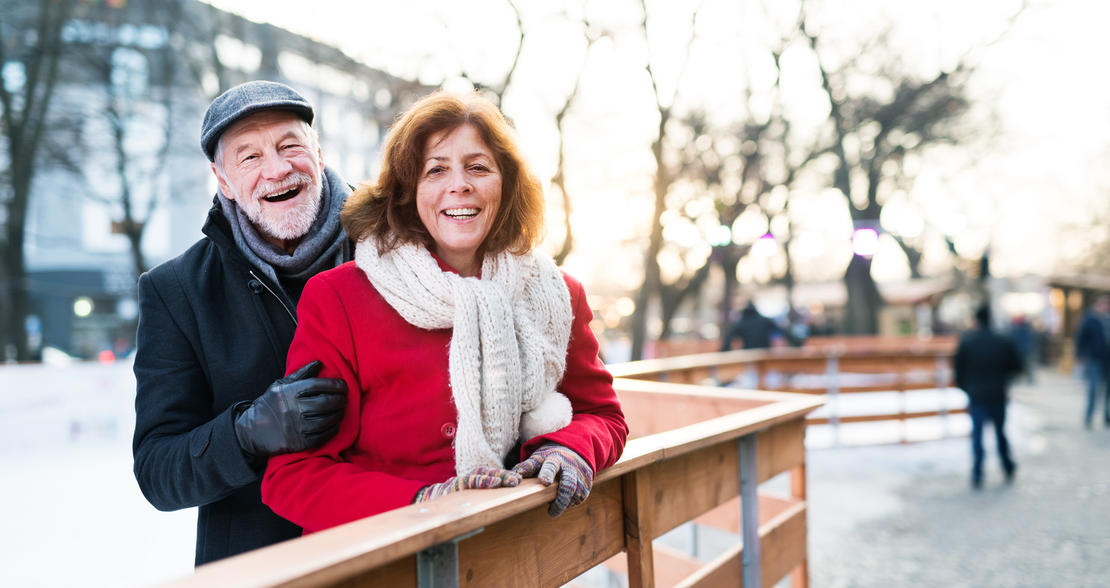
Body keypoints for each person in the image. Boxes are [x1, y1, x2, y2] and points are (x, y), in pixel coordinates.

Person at [261, 90, 629, 532]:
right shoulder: (339, 297)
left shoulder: (557, 294)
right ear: (407, 191)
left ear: (506, 184)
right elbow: (292, 476)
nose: (460, 184)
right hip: (383, 565)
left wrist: (568, 449)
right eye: (436, 170)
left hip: (514, 556)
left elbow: (602, 416)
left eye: (478, 167)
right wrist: (423, 503)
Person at [132, 81, 353, 565]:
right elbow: (157, 470)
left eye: (289, 145)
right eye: (249, 157)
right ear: (223, 180)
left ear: (317, 152)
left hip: (399, 545)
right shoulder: (176, 292)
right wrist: (248, 433)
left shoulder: (393, 244)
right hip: (260, 566)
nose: (277, 169)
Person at [953, 304, 1023, 489]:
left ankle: (977, 473)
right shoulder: (1002, 341)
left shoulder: (968, 342)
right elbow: (1017, 366)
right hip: (998, 394)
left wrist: (967, 388)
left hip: (977, 395)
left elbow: (958, 371)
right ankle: (1007, 466)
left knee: (977, 435)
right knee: (1000, 432)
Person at [1075, 294, 1110, 429]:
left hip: (1107, 359)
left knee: (1108, 390)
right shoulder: (1090, 319)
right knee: (1093, 388)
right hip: (1094, 358)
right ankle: (1089, 416)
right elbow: (1081, 338)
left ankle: (1106, 416)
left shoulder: (1107, 319)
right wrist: (1081, 356)